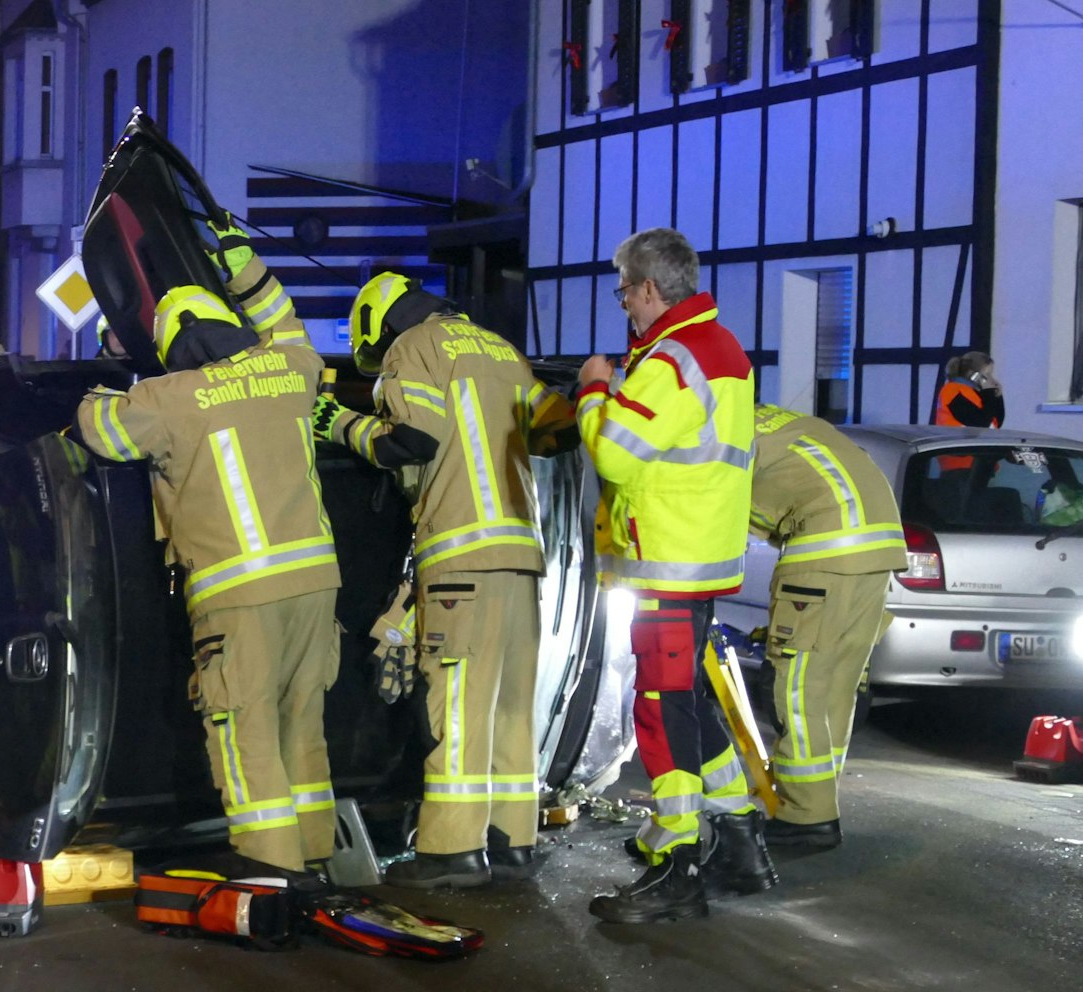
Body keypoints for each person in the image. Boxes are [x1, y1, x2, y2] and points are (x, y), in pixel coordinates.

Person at [72, 219, 338, 872]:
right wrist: (247, 270)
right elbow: (286, 324)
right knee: (302, 730)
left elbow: (99, 429)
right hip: (315, 589)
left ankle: (272, 877)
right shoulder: (290, 370)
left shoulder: (166, 398)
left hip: (237, 597)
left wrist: (94, 388)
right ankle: (316, 863)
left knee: (246, 742)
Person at [318, 271, 577, 890]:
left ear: (381, 325)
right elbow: (556, 430)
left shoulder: (415, 348)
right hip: (522, 556)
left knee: (455, 707)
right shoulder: (501, 349)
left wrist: (335, 423)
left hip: (461, 557)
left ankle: (452, 851)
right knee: (510, 707)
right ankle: (509, 841)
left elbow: (410, 440)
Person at [575, 227, 770, 924]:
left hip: (665, 561)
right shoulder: (718, 350)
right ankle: (739, 836)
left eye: (625, 289)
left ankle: (677, 867)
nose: (623, 301)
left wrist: (594, 390)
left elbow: (616, 455)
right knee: (684, 699)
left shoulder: (674, 358)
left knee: (660, 707)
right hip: (697, 558)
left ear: (650, 289)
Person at [746, 404, 904, 848]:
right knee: (835, 685)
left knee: (795, 687)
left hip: (825, 551)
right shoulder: (770, 419)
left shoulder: (711, 438)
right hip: (877, 552)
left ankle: (804, 818)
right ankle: (820, 804)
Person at [934, 351, 1004, 430]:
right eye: (987, 375)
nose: (990, 379)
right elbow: (981, 422)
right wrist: (988, 392)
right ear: (973, 375)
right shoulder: (952, 391)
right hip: (956, 440)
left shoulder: (977, 391)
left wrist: (997, 395)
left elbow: (996, 421)